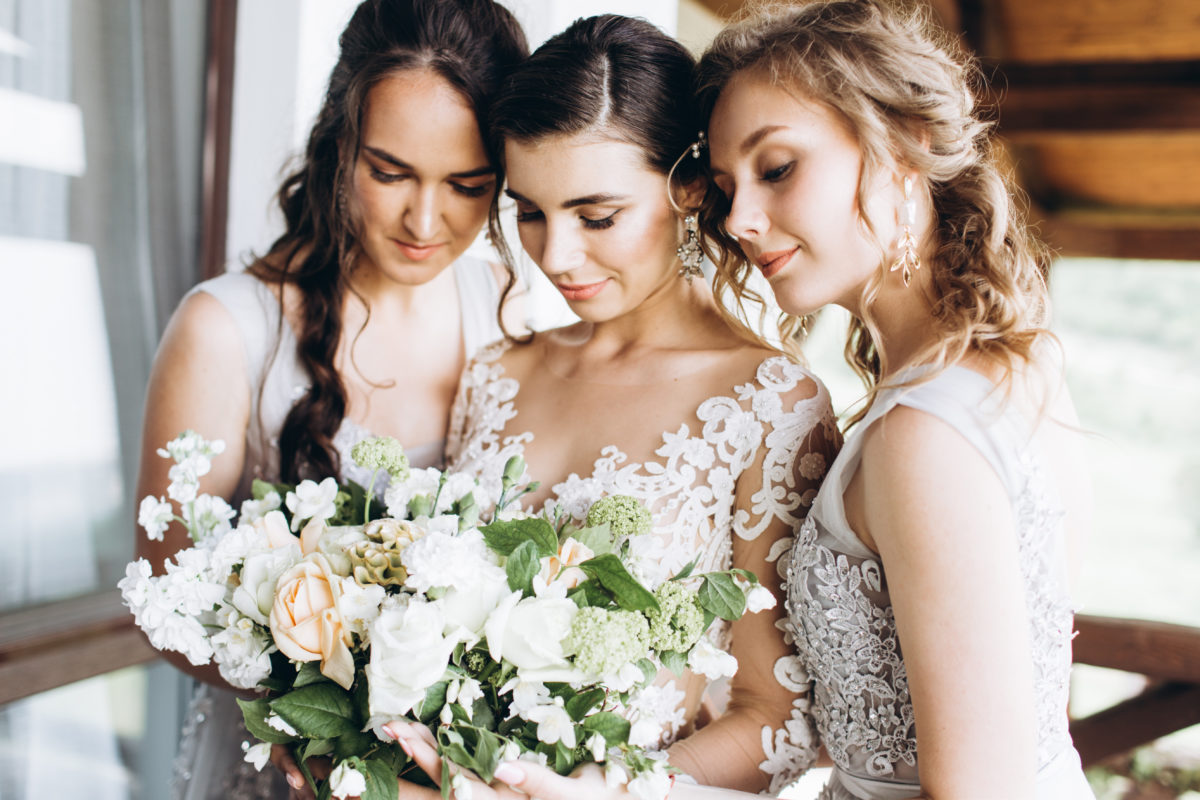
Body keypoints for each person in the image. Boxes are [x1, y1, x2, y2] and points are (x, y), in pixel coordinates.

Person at [393, 2, 1095, 800]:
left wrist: (617, 790)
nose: (743, 219)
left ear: (904, 144)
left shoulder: (911, 428)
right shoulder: (1007, 368)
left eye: (778, 168)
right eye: (730, 183)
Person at [384, 14, 839, 795]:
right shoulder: (493, 371)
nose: (555, 256)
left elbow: (782, 718)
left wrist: (610, 789)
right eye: (528, 212)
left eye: (597, 217)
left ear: (690, 188)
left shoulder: (769, 403)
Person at [133, 1, 527, 797]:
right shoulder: (224, 329)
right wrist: (328, 718)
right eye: (390, 173)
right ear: (339, 143)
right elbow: (164, 599)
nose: (425, 219)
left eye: (467, 185)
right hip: (282, 767)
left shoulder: (509, 315)